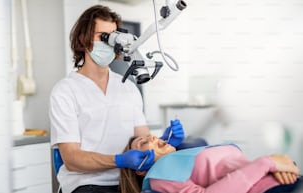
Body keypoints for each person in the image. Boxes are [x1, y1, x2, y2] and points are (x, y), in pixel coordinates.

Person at [49, 5, 185, 193]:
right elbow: (71, 159)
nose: (111, 43)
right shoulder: (65, 91)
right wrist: (119, 160)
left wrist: (164, 142)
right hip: (87, 184)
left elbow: (142, 139)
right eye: (103, 36)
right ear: (83, 39)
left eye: (114, 36)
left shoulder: (128, 87)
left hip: (129, 181)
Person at [120, 135, 302, 193]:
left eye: (152, 135)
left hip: (285, 180)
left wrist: (282, 164)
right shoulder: (159, 177)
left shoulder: (188, 153)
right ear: (140, 170)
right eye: (144, 143)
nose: (153, 136)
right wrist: (267, 162)